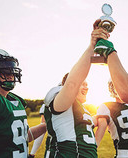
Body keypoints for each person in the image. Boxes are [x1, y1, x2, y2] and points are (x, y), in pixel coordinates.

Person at [43, 20, 110, 158]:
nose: (86, 86)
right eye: (82, 83)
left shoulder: (80, 108)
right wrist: (92, 46)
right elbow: (72, 83)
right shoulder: (59, 97)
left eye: (86, 83)